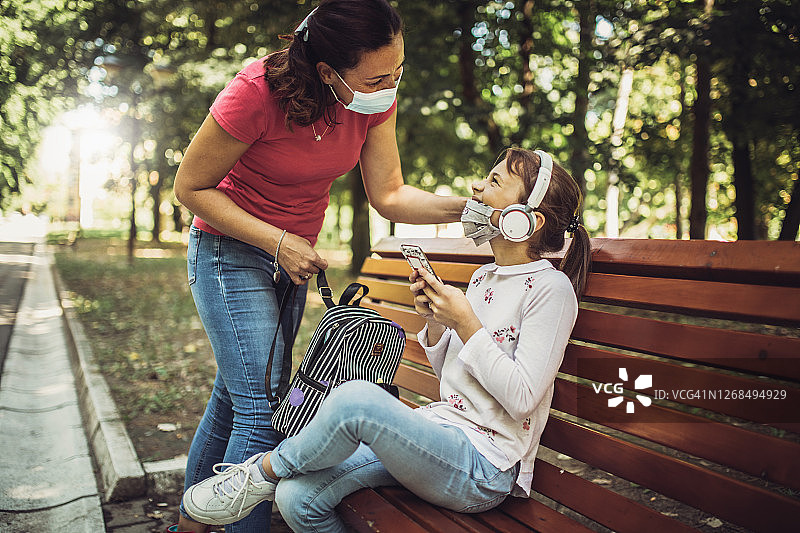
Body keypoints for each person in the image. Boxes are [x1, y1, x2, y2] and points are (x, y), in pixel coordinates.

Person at [178, 147, 592, 532]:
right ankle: (272, 480)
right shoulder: (485, 276)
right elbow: (455, 377)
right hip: (440, 434)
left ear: (526, 220)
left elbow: (522, 398)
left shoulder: (550, 290)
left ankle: (260, 472)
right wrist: (435, 322)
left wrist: (466, 323)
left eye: (495, 183)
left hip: (484, 465)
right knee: (297, 498)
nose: (477, 188)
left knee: (358, 399)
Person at [170, 1, 467, 532]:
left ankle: (192, 521)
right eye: (379, 75)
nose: (392, 84)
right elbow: (190, 188)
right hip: (230, 247)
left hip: (292, 258)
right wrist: (277, 239)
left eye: (399, 70)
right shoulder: (254, 93)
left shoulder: (372, 100)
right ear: (328, 71)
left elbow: (391, 194)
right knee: (261, 409)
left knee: (236, 392)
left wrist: (465, 209)